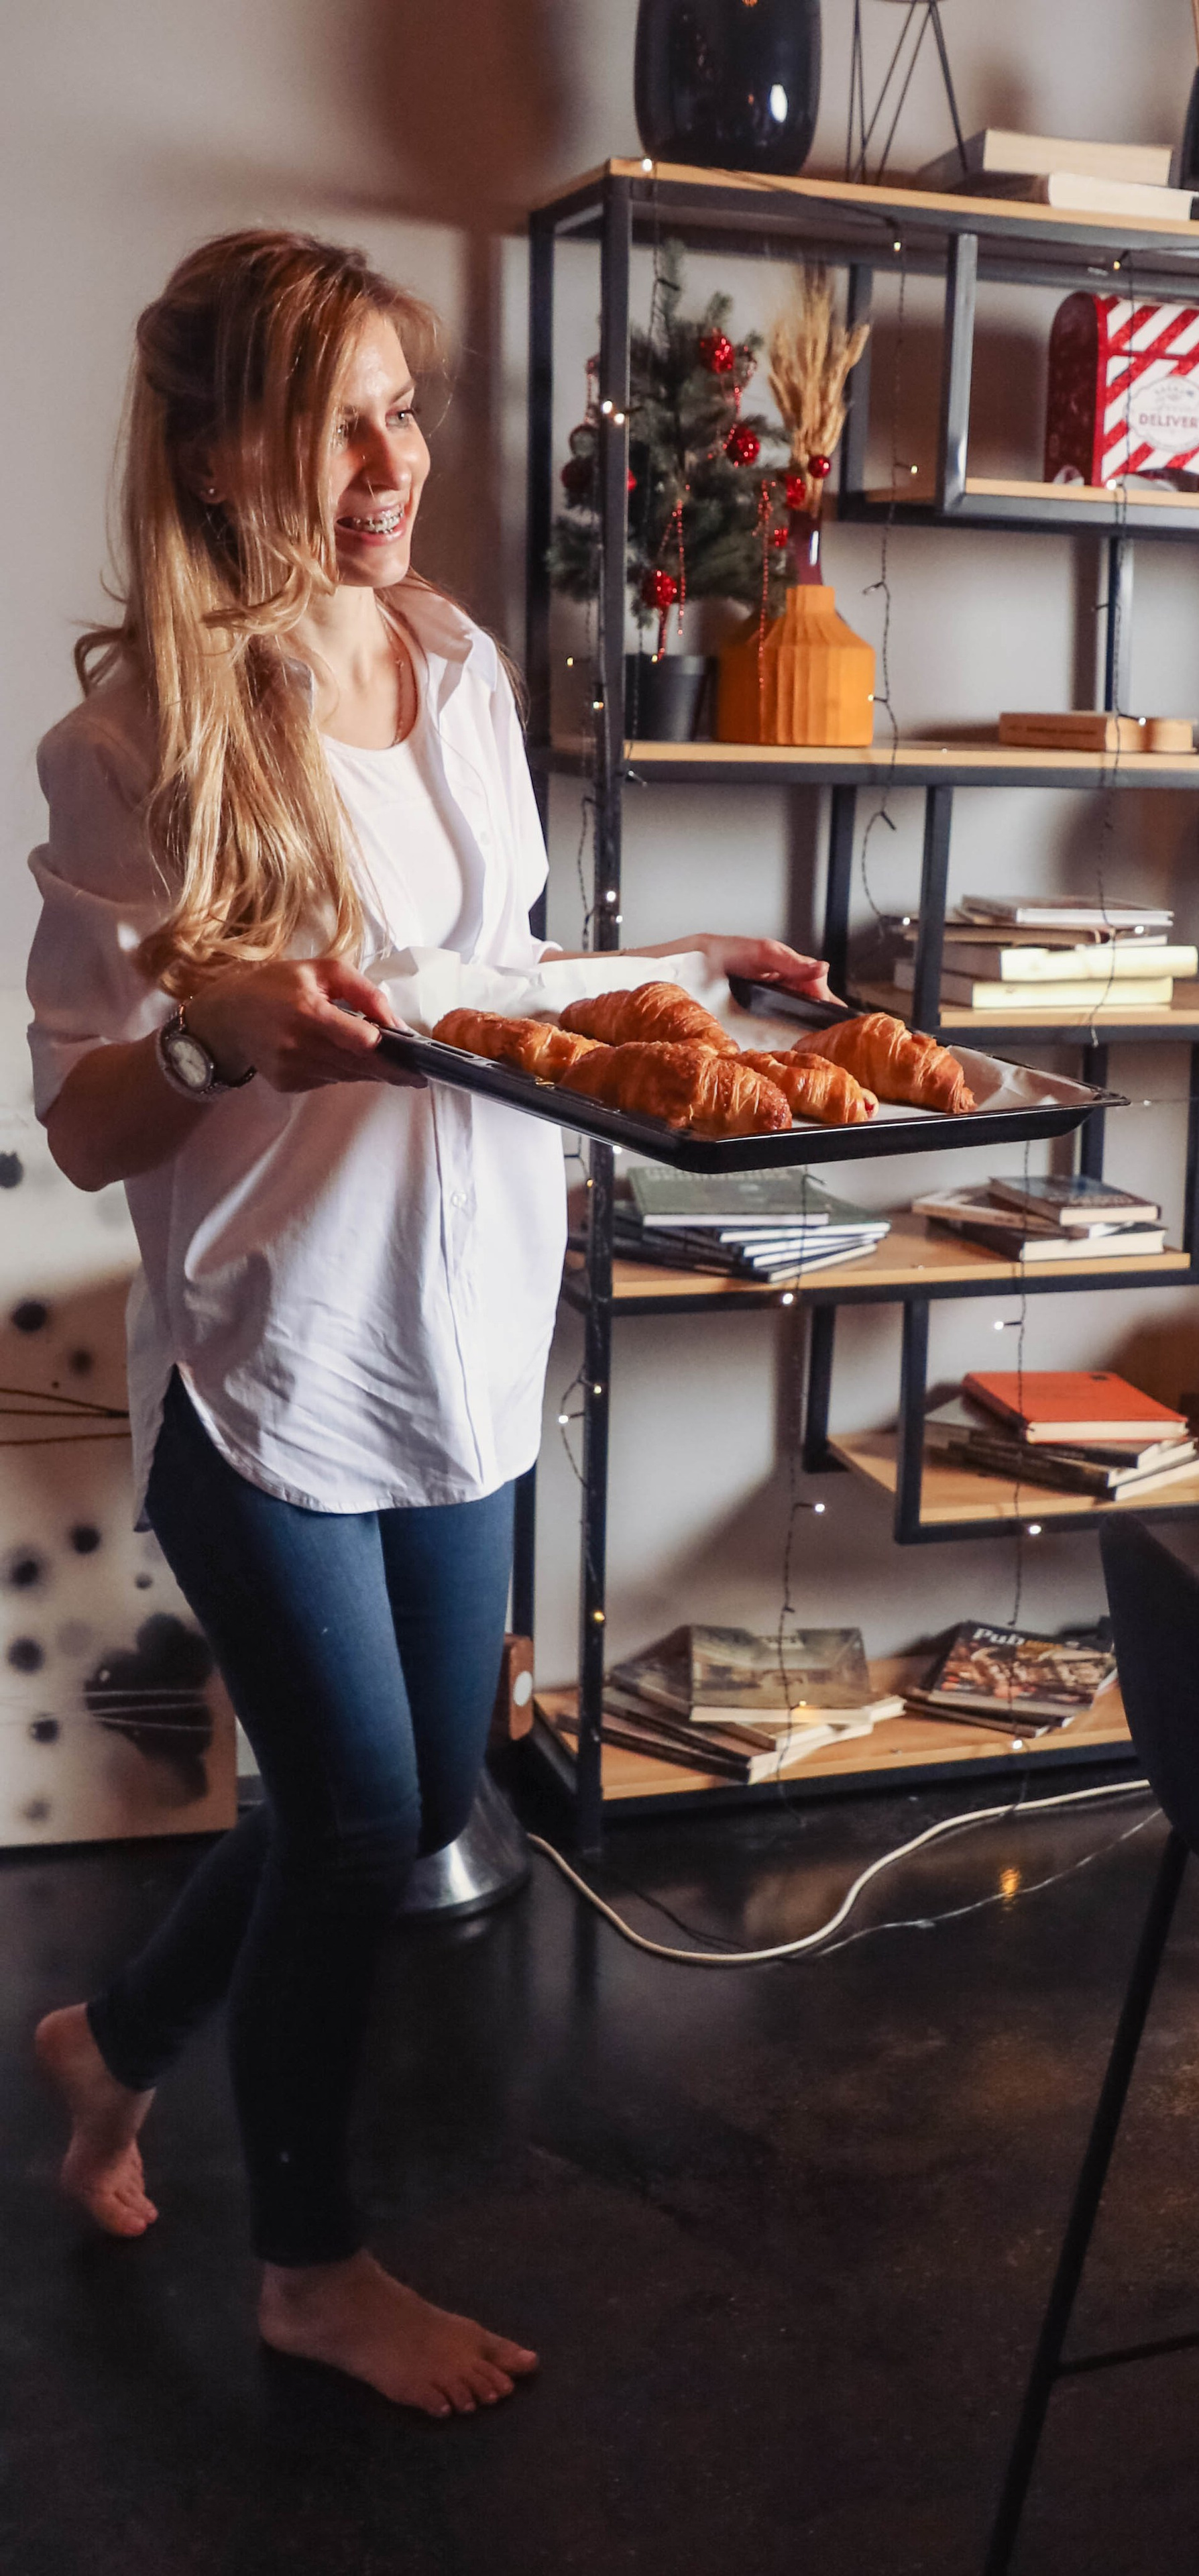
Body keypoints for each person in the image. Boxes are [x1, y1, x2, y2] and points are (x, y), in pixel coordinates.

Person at [26, 229, 827, 2418]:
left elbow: (479, 987)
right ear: (209, 450)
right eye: (331, 419)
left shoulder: (453, 660)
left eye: (406, 409)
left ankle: (114, 2051)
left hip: (469, 1330)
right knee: (368, 1820)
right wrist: (213, 1042)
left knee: (387, 1780)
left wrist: (674, 970)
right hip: (278, 1363)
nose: (391, 464)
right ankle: (306, 2270)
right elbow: (90, 1125)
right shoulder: (138, 743)